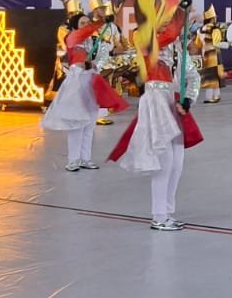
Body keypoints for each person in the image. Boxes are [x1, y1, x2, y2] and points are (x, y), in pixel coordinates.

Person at [108, 13, 203, 232]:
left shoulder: (177, 50)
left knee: (177, 162)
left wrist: (187, 101)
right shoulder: (146, 40)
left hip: (173, 104)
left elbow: (193, 77)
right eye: (164, 19)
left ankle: (168, 212)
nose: (167, 24)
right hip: (155, 102)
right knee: (164, 162)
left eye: (170, 20)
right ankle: (159, 216)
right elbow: (169, 35)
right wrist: (182, 13)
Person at [43, 15, 130, 171]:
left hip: (91, 81)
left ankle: (85, 158)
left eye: (88, 22)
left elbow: (106, 55)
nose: (87, 25)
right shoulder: (71, 37)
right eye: (82, 23)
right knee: (77, 123)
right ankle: (73, 160)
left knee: (89, 123)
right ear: (75, 26)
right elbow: (78, 57)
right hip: (76, 82)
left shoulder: (94, 42)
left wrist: (96, 63)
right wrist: (101, 21)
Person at [197, 9, 227, 104]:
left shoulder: (201, 29)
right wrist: (226, 44)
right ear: (212, 18)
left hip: (206, 53)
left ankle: (212, 96)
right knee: (215, 75)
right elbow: (217, 43)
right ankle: (214, 96)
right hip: (214, 53)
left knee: (209, 76)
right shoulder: (214, 28)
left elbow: (198, 43)